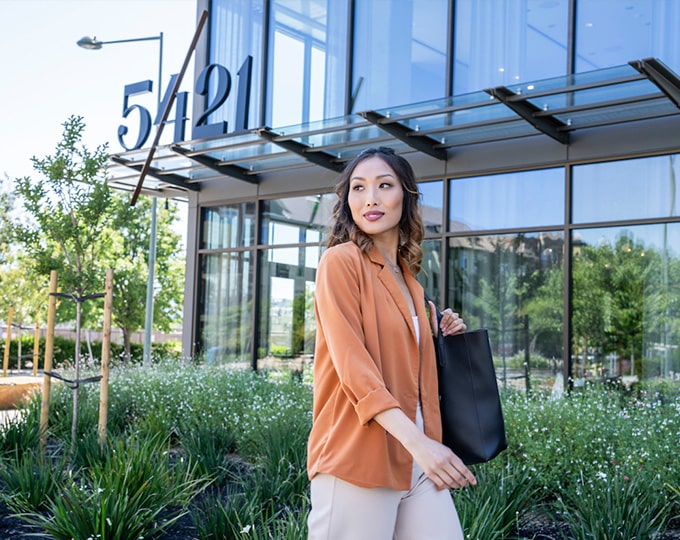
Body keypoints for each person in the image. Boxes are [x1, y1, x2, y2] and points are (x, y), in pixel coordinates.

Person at [307, 147, 477, 540]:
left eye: (385, 185)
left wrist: (439, 338)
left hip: (415, 456)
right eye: (359, 188)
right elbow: (355, 368)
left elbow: (409, 372)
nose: (371, 198)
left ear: (407, 196)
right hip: (358, 457)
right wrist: (421, 444)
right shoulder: (340, 263)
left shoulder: (412, 283)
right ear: (348, 201)